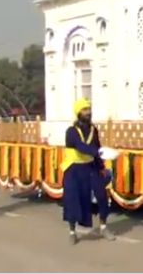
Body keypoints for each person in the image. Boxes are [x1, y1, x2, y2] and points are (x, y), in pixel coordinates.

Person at [62, 98, 115, 244]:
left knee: (102, 196)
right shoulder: (71, 132)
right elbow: (81, 147)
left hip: (90, 167)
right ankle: (72, 232)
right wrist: (99, 152)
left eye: (89, 109)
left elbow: (97, 146)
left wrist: (101, 167)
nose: (88, 112)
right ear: (78, 112)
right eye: (85, 110)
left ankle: (104, 227)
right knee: (73, 200)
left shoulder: (93, 130)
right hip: (73, 169)